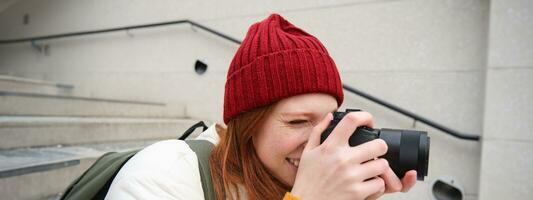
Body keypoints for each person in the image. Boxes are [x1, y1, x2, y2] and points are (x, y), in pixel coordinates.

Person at [105, 13, 417, 200]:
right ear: (248, 126)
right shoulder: (164, 174)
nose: (317, 143)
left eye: (329, 123)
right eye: (297, 122)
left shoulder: (285, 179)